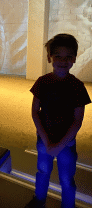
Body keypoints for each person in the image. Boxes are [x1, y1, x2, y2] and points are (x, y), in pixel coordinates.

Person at [25, 33, 91, 208]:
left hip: (66, 144)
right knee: (43, 171)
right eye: (58, 56)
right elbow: (35, 112)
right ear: (49, 58)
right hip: (45, 141)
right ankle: (39, 200)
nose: (63, 61)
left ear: (74, 59)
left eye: (68, 56)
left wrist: (58, 145)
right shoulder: (42, 82)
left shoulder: (77, 86)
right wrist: (47, 142)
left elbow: (77, 121)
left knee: (66, 178)